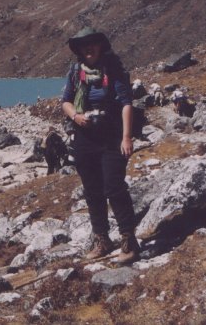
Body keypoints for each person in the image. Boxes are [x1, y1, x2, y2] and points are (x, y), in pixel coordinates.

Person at [61, 26, 140, 264]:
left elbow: (126, 103)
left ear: (100, 46)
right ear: (79, 50)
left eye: (92, 43)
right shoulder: (76, 73)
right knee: (92, 191)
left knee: (114, 187)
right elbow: (65, 102)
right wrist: (76, 116)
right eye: (84, 45)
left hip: (111, 134)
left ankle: (129, 240)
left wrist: (126, 137)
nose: (88, 48)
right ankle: (102, 240)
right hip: (84, 136)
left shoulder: (113, 70)